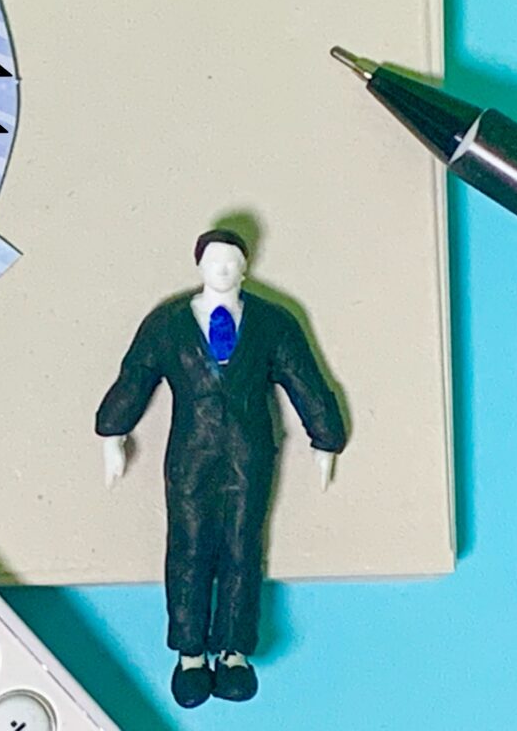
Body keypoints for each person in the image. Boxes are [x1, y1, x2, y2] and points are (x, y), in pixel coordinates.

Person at [96, 229, 347, 707]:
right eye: (214, 261)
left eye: (232, 261)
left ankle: (234, 651)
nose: (223, 269)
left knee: (242, 546)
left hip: (250, 452)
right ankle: (190, 653)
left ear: (245, 267)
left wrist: (326, 438)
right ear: (199, 266)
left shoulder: (272, 323)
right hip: (191, 453)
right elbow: (137, 375)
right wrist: (113, 431)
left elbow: (303, 378)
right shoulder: (168, 324)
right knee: (187, 546)